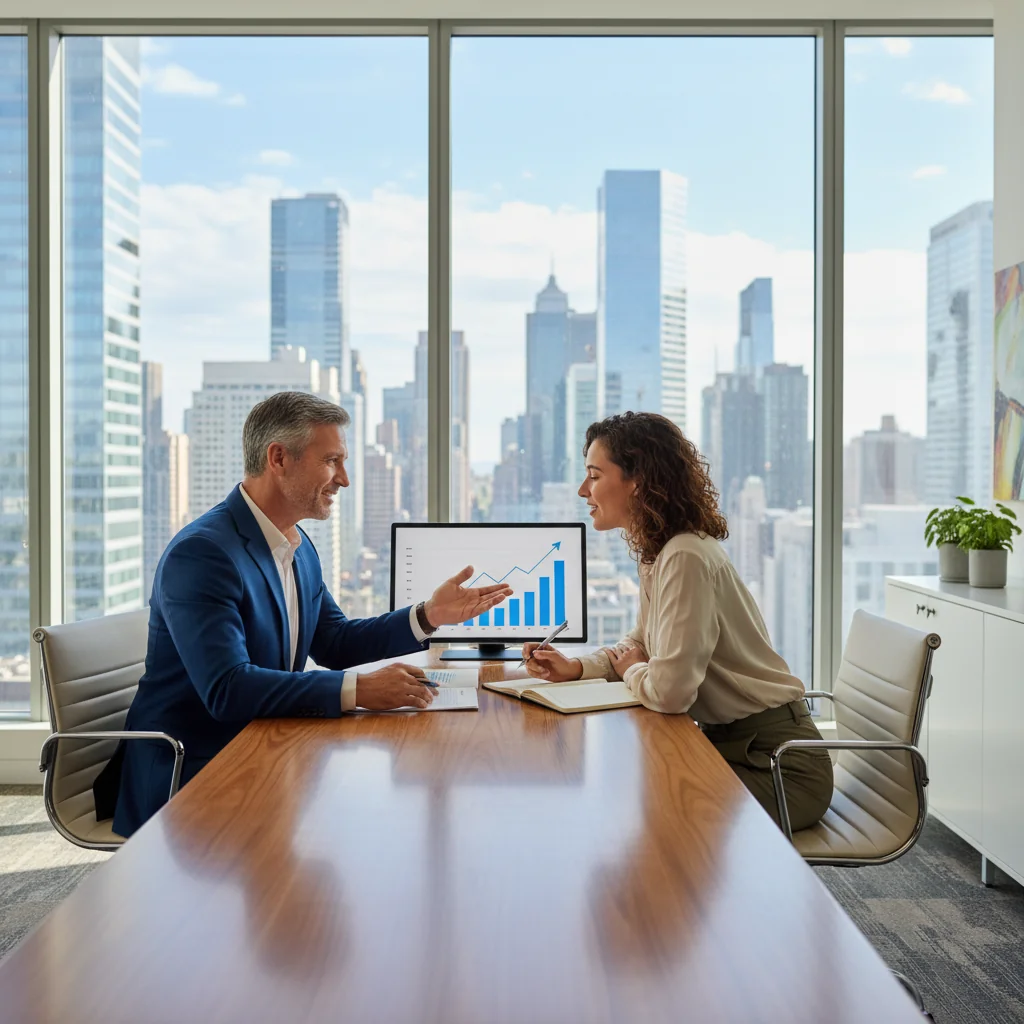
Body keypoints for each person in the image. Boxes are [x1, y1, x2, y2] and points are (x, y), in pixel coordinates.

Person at [95, 391, 512, 838]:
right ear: (279, 458)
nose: (345, 480)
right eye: (332, 461)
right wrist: (361, 689)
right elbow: (228, 689)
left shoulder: (295, 544)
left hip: (262, 745)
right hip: (193, 772)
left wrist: (429, 615)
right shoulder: (203, 554)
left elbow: (334, 641)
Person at [522, 411, 833, 831]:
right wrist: (578, 668)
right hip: (731, 747)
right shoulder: (662, 553)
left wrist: (631, 668)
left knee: (640, 799)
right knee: (630, 789)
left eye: (594, 476)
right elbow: (642, 644)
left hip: (779, 767)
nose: (583, 490)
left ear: (638, 481)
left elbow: (669, 692)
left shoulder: (684, 555)